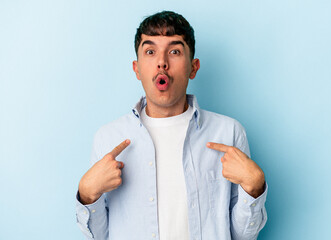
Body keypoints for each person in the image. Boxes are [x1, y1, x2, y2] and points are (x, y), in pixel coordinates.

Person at [76, 10, 267, 240]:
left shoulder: (229, 133)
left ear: (193, 67)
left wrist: (254, 188)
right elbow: (99, 236)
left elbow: (242, 236)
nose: (162, 63)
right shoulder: (108, 138)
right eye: (150, 51)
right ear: (137, 69)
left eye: (174, 51)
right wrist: (87, 196)